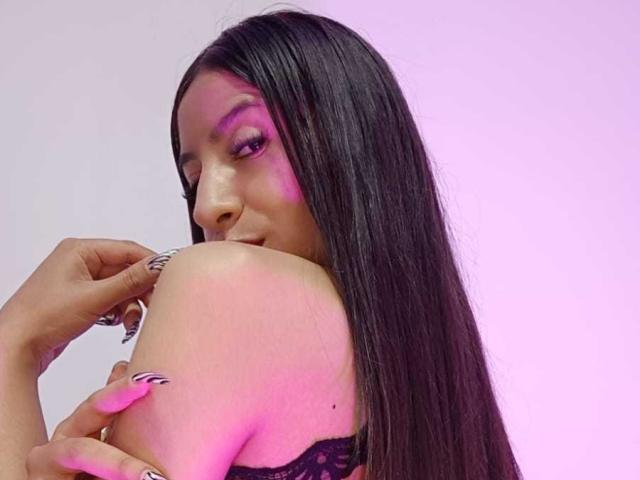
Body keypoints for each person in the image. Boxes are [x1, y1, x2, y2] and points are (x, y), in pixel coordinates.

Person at [0, 8, 523, 480]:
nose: (206, 208)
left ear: (353, 145)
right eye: (193, 181)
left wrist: (15, 343)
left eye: (249, 145)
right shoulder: (443, 400)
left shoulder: (220, 287)